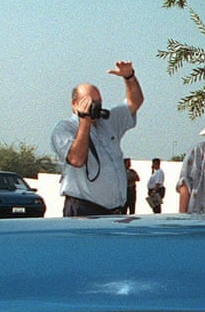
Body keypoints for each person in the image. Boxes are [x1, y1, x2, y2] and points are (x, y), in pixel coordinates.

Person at [51, 61, 143, 216]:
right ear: (74, 104)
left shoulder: (108, 122)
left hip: (115, 212)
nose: (95, 107)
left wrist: (129, 77)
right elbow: (77, 160)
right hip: (83, 210)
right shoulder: (65, 128)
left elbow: (134, 103)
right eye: (89, 102)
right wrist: (85, 121)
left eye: (98, 103)